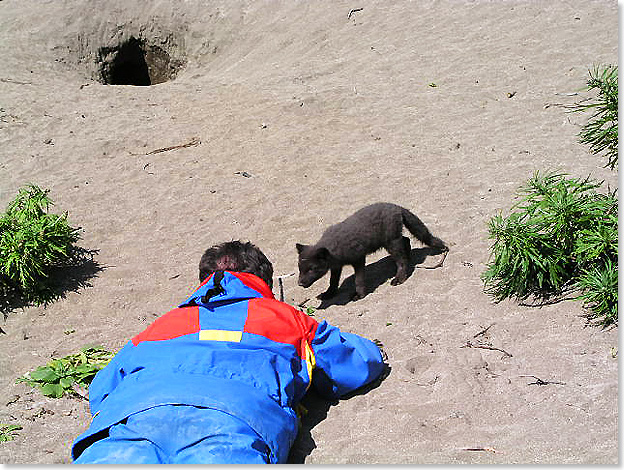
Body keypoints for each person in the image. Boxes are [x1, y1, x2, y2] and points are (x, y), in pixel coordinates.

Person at [71, 240, 386, 464]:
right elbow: (357, 365)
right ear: (264, 281)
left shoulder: (163, 324)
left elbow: (101, 389)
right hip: (232, 424)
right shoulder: (286, 318)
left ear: (204, 283)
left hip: (132, 419)